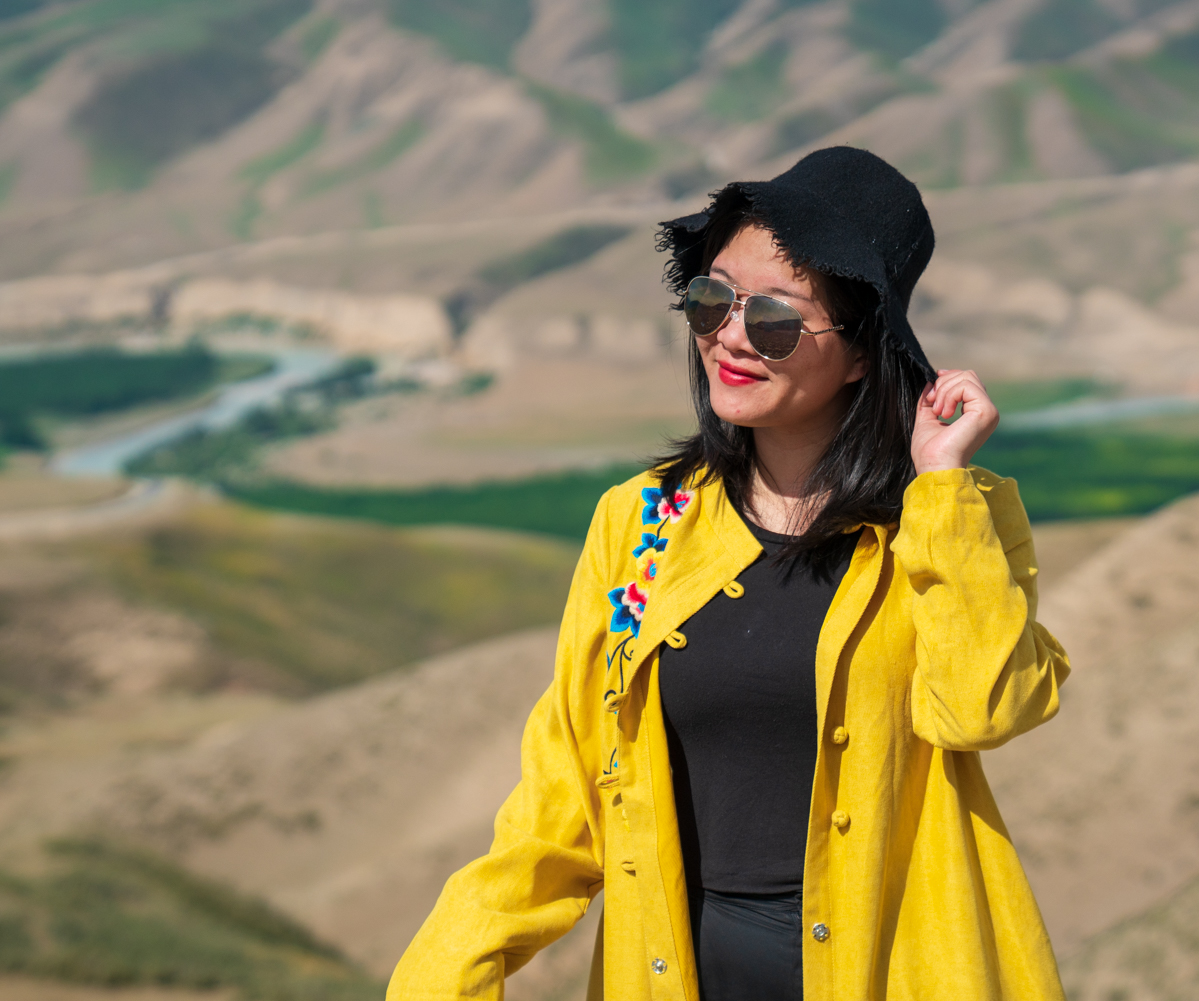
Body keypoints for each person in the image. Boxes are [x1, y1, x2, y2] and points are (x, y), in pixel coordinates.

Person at [387, 146, 1072, 1001]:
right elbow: (566, 791)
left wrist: (938, 485)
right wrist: (440, 977)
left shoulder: (946, 521)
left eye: (776, 319)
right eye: (712, 300)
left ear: (862, 353)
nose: (731, 338)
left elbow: (984, 707)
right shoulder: (642, 524)